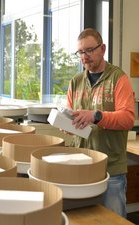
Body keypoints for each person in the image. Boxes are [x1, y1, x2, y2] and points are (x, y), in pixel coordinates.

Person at [66, 28, 135, 218]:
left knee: (112, 220)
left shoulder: (118, 79)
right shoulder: (75, 81)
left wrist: (96, 116)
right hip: (81, 165)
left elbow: (128, 118)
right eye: (80, 52)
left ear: (102, 49)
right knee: (83, 220)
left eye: (89, 50)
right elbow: (74, 117)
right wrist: (68, 126)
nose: (84, 56)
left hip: (110, 169)